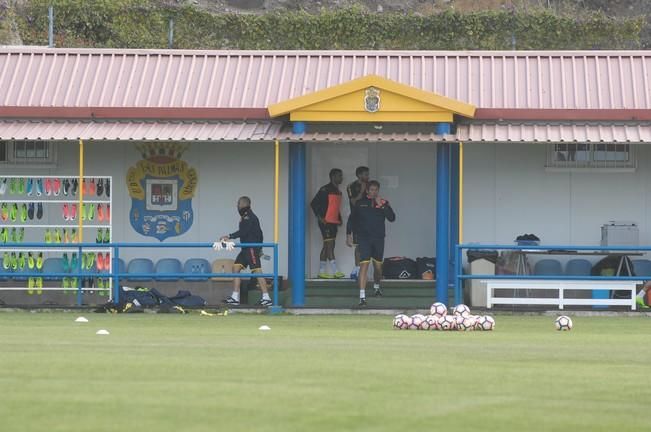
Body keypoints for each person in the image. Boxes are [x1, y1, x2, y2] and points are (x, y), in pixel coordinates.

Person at [348, 180, 395, 306]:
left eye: (376, 190)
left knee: (378, 268)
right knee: (364, 265)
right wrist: (348, 235)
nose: (374, 192)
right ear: (367, 191)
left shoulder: (384, 202)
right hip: (364, 239)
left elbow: (392, 218)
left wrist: (382, 205)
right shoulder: (360, 203)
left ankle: (376, 285)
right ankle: (362, 296)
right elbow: (351, 219)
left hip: (379, 239)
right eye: (372, 189)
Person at [219, 196, 272, 307]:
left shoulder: (249, 217)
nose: (237, 206)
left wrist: (229, 236)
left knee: (257, 271)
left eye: (238, 204)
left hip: (251, 248)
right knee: (235, 268)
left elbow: (243, 232)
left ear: (243, 205)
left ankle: (266, 298)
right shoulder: (246, 216)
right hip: (245, 249)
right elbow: (260, 233)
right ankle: (235, 297)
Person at [310, 168, 345, 279]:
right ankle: (336, 271)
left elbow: (335, 207)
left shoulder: (338, 191)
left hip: (334, 222)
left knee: (328, 245)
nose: (341, 178)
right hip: (326, 222)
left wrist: (339, 218)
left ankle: (321, 271)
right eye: (339, 176)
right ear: (333, 177)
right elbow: (313, 203)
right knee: (329, 245)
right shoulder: (324, 189)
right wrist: (320, 217)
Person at [346, 166, 370, 279]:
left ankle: (364, 270)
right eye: (365, 174)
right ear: (359, 175)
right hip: (357, 219)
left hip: (370, 220)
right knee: (359, 246)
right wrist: (361, 190)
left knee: (370, 245)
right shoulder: (351, 186)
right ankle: (356, 269)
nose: (367, 176)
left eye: (368, 174)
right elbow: (354, 202)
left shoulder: (370, 185)